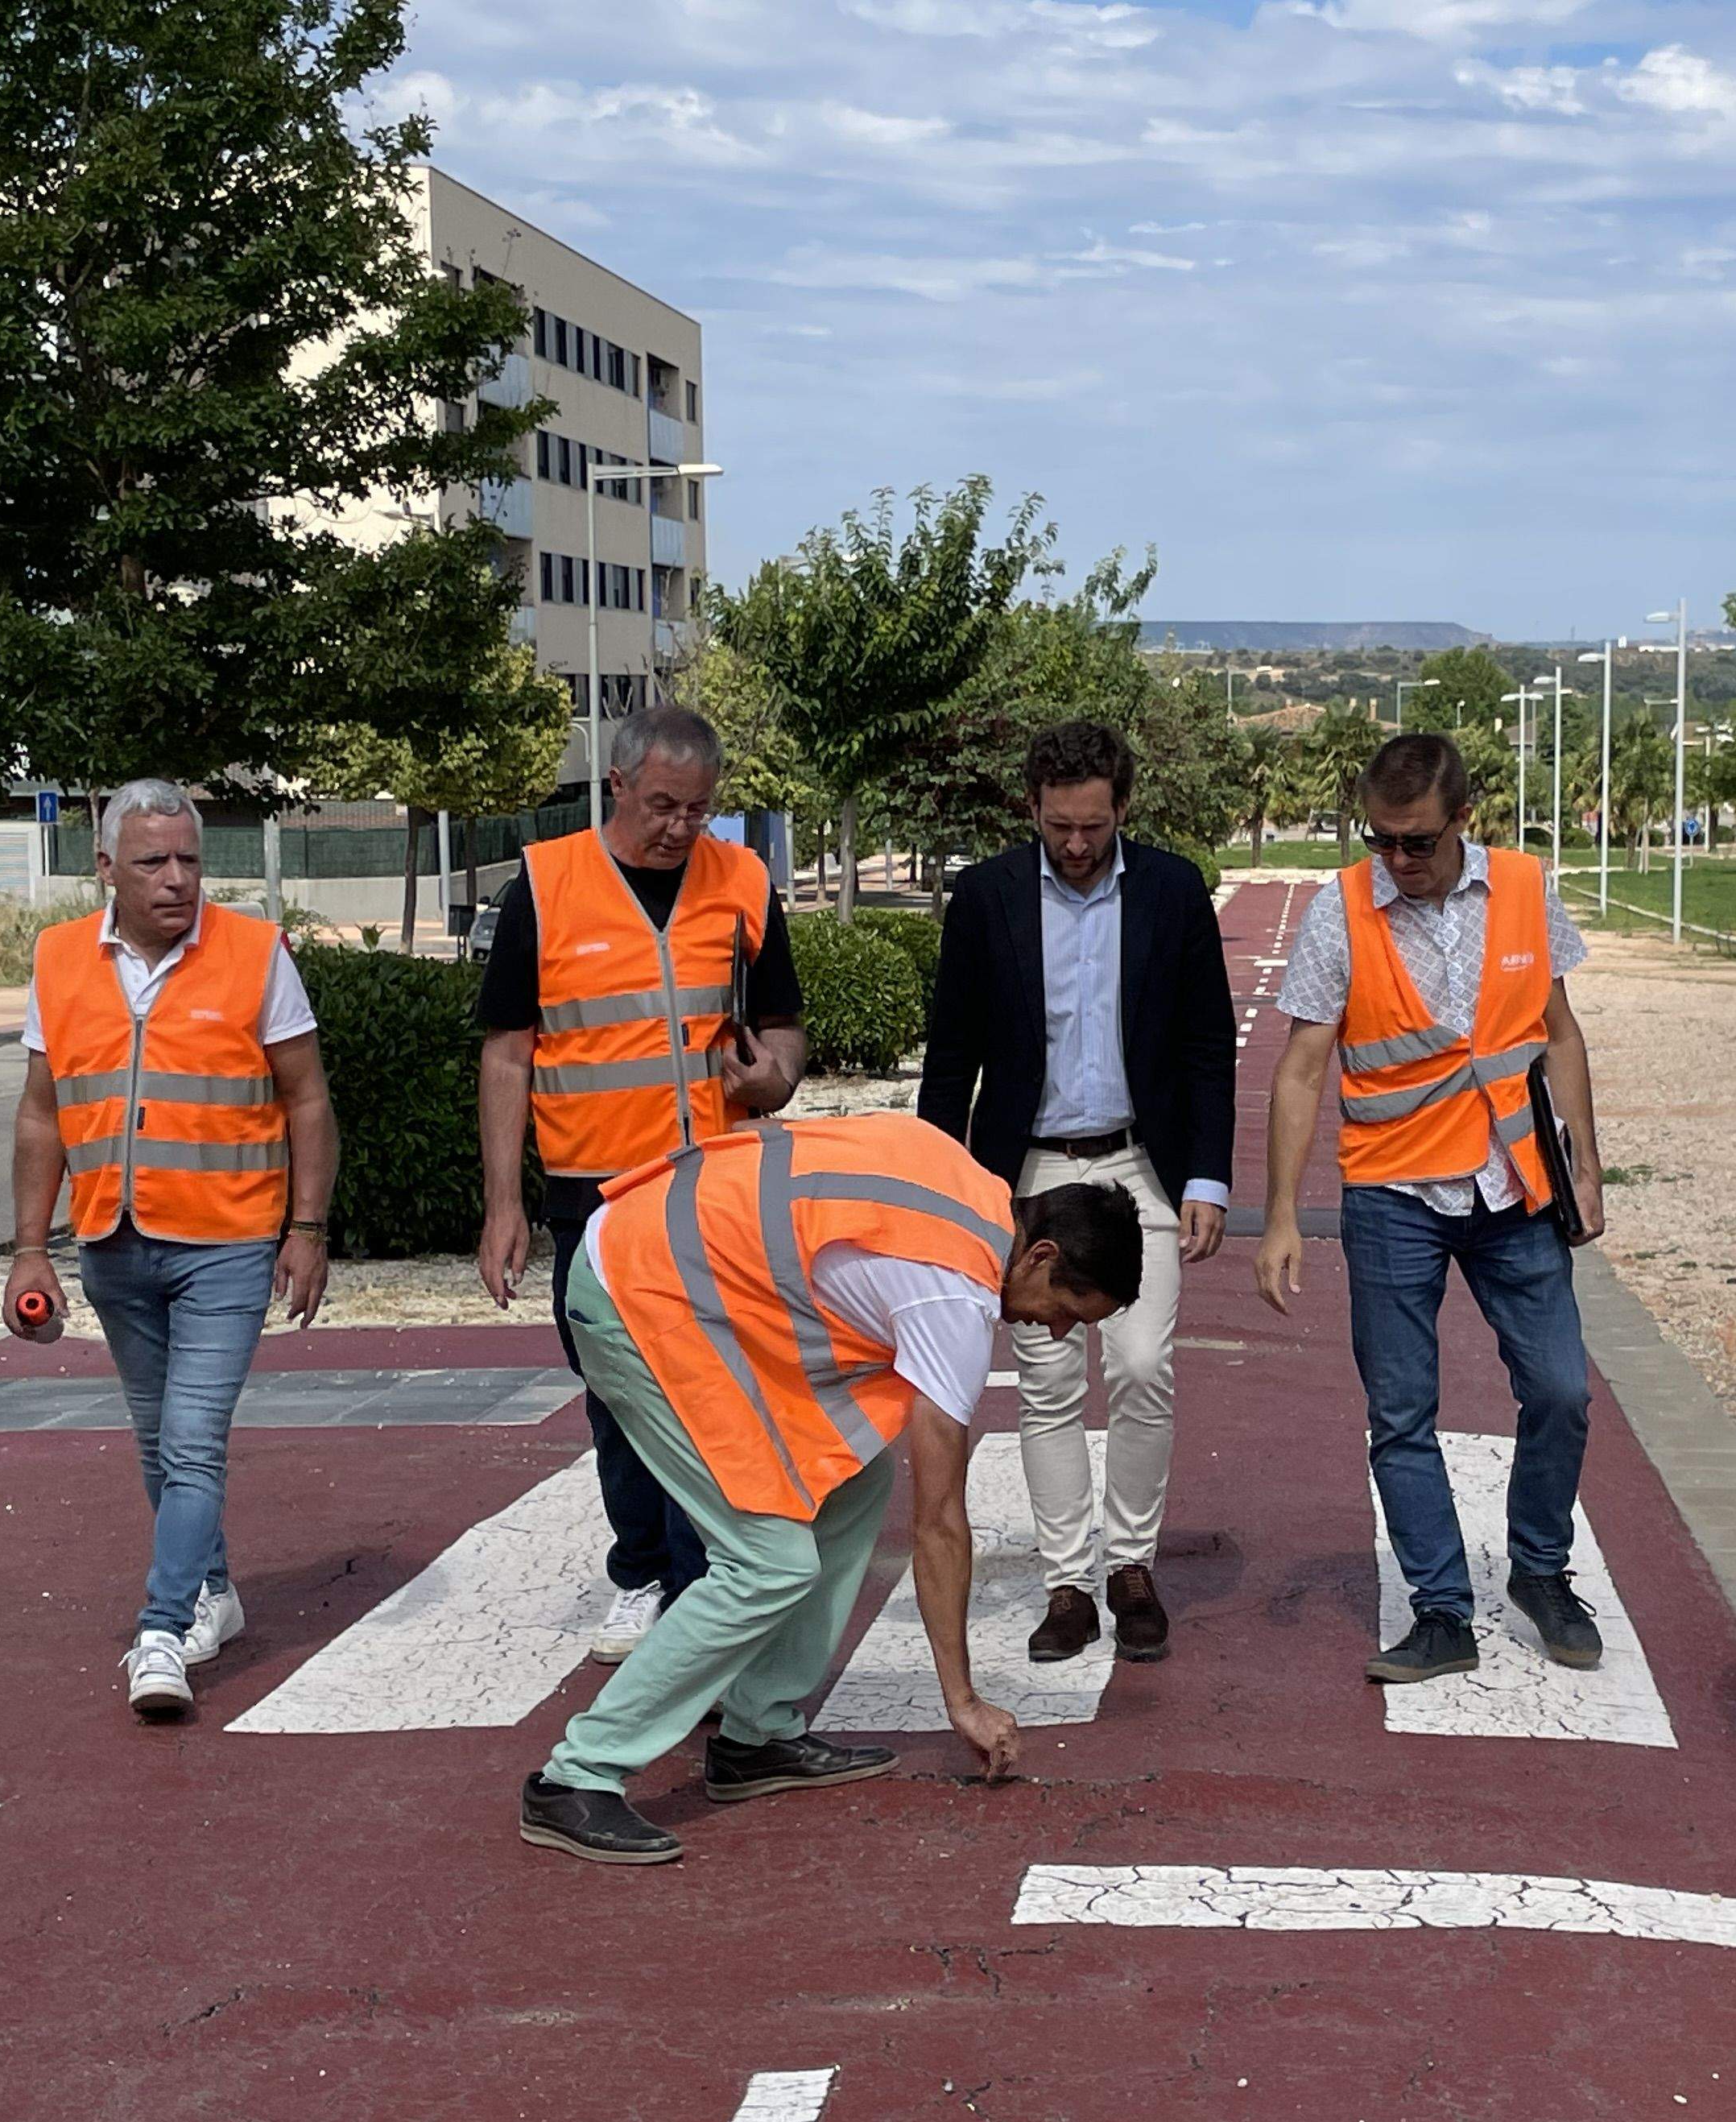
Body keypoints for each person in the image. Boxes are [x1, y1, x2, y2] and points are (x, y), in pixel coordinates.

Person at [515, 1114, 1143, 1863]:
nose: (1057, 1332)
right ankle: (576, 1777)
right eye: (1068, 1312)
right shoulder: (953, 1295)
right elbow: (940, 1522)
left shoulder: (973, 1189)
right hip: (640, 1298)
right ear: (1040, 1255)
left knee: (855, 1473)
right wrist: (963, 1702)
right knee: (765, 1562)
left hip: (689, 1282)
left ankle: (759, 1734)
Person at [1254, 733, 1608, 1686]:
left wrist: (1586, 1167)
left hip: (1513, 1189)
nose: (1397, 861)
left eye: (1415, 841)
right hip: (1393, 1195)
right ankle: (1442, 1608)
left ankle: (1540, 1569)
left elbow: (1559, 1036)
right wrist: (1282, 1214)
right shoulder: (1342, 910)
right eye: (1381, 841)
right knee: (1402, 1413)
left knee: (1564, 1391)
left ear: (1464, 820)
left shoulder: (1528, 889)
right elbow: (1298, 1070)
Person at [475, 702, 808, 1665]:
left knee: (717, 1397)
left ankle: (705, 1583)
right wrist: (506, 1205)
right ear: (614, 786)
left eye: (699, 811)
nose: (680, 828)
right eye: (663, 806)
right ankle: (640, 1573)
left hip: (715, 1189)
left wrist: (773, 1077)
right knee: (619, 1396)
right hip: (597, 1199)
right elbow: (507, 1056)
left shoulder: (742, 881)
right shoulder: (544, 884)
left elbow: (784, 1027)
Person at [5, 780, 338, 1721]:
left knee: (193, 1443)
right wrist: (32, 1250)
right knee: (159, 1446)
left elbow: (307, 1099)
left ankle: (160, 1633)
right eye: (153, 861)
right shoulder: (61, 959)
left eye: (190, 859)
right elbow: (42, 1113)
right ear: (105, 868)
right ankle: (213, 1591)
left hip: (227, 1245)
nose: (178, 879)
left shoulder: (256, 953)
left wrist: (306, 1230)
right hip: (113, 1241)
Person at [917, 719, 1236, 1665]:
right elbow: (952, 1057)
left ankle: (1130, 1564)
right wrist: (942, 1188)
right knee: (1049, 1382)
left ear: (1123, 808)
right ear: (1033, 810)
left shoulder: (1175, 891)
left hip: (1143, 1164)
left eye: (1094, 826)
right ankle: (1068, 1582)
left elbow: (1206, 1045)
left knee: (1140, 1364)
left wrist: (1208, 1176)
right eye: (1060, 827)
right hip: (1029, 1171)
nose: (1078, 846)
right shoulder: (986, 899)